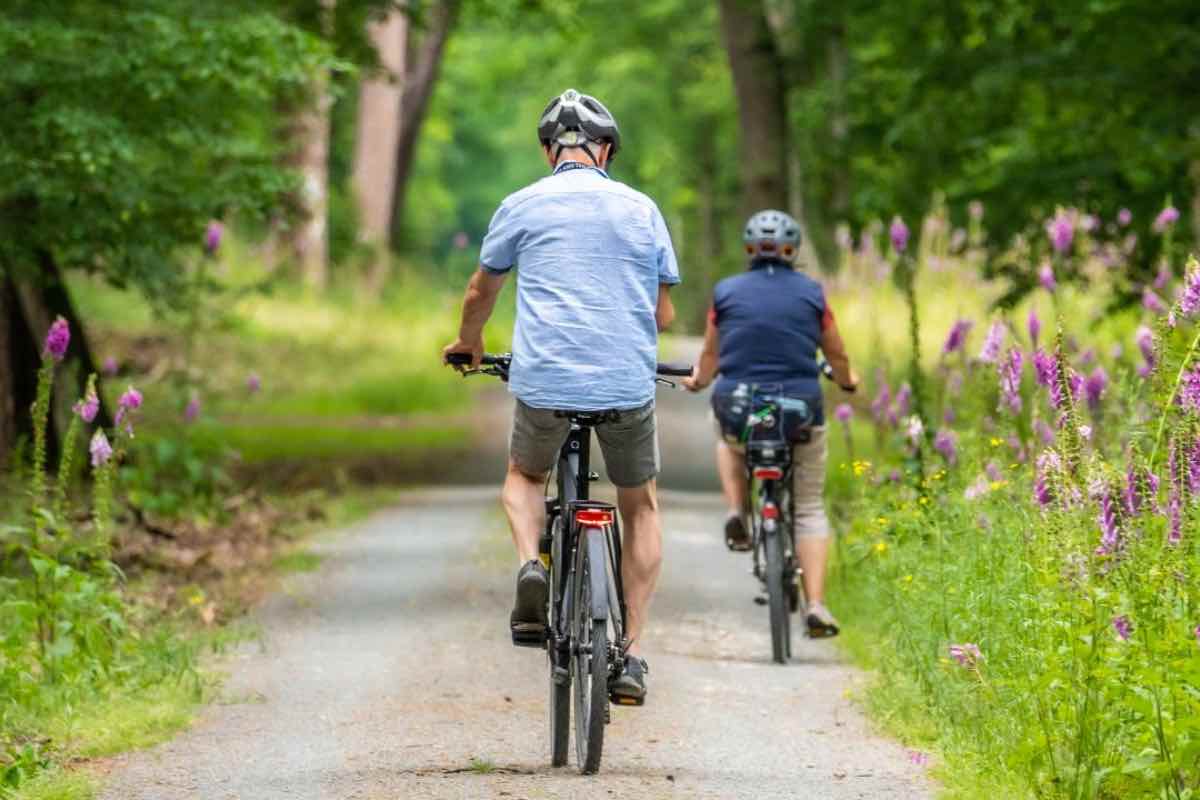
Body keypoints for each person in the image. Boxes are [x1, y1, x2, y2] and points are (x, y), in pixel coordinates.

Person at [442, 89, 680, 702]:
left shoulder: (521, 205)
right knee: (641, 505)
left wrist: (470, 344)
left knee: (524, 476)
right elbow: (664, 310)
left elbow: (479, 292)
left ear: (550, 151)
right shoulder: (641, 209)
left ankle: (531, 565)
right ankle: (631, 654)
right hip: (626, 382)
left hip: (545, 379)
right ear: (605, 151)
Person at [683, 210, 856, 638]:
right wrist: (849, 382)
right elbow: (836, 354)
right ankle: (815, 604)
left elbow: (710, 355)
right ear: (793, 249)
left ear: (748, 249)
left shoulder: (725, 292)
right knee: (810, 507)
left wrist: (700, 380)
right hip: (799, 408)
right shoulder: (813, 294)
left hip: (740, 406)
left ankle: (737, 509)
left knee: (727, 439)